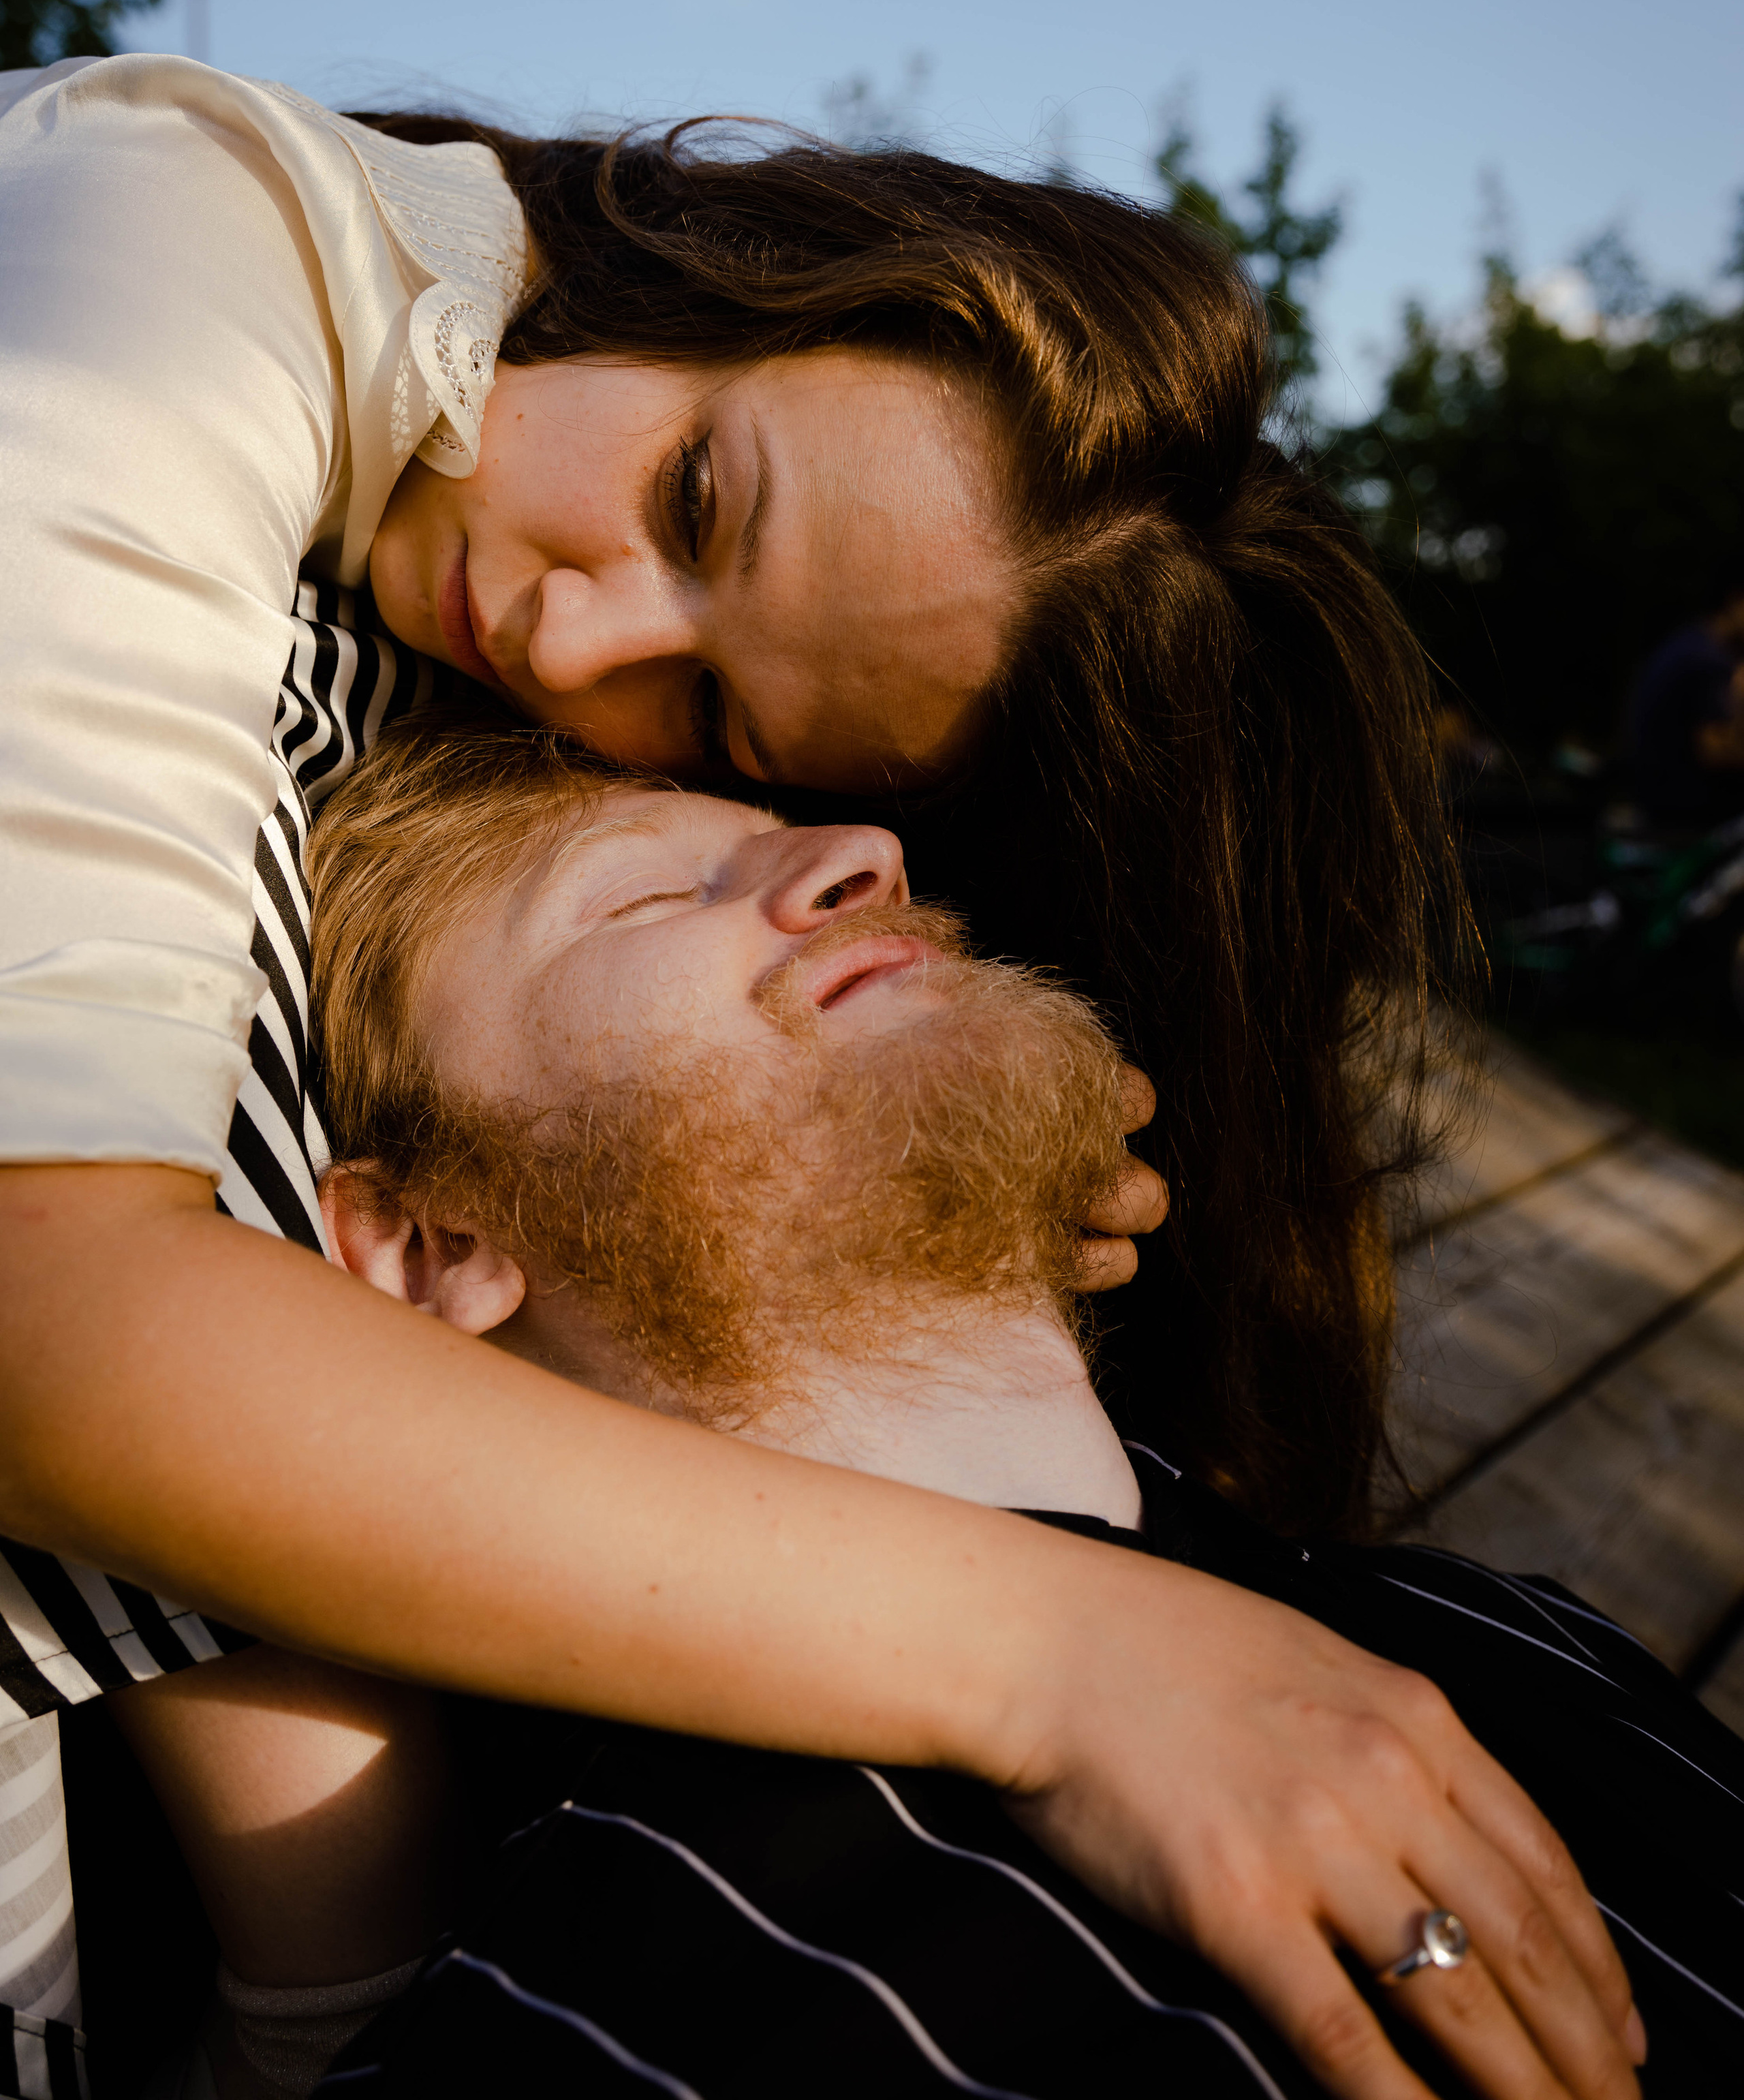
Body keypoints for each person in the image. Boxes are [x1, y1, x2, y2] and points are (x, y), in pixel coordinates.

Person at [0, 57, 1635, 2100]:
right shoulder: (162, 244)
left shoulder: (390, 593)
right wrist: (1069, 1654)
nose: (574, 642)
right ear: (746, 269)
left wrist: (909, 1127)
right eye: (699, 495)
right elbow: (41, 1309)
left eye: (710, 714)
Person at [127, 712, 1724, 2098]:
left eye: (797, 836)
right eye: (636, 893)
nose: (857, 855)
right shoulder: (594, 2009)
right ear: (431, 1241)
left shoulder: (1517, 1634)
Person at [1627, 578, 1744, 827]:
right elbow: (1715, 752)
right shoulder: (1708, 660)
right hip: (1683, 808)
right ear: (1736, 601)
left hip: (1652, 796)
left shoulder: (1690, 641)